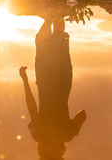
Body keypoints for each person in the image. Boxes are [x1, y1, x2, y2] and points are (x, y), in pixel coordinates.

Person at [19, 19, 87, 159]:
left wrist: (75, 129)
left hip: (64, 82)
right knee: (42, 44)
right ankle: (49, 18)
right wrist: (24, 79)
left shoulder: (67, 135)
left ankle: (58, 10)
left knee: (59, 37)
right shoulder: (38, 135)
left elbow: (83, 114)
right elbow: (32, 106)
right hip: (46, 81)